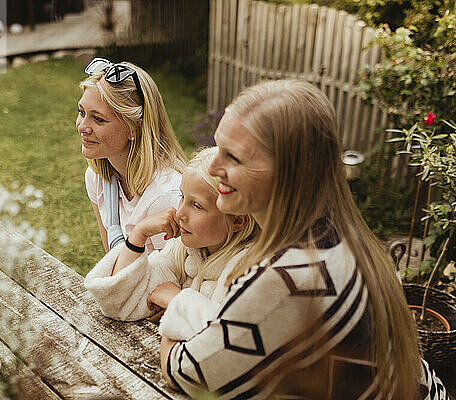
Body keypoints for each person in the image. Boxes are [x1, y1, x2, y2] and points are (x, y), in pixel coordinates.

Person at [160, 80, 448, 399]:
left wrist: (180, 309)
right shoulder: (339, 234)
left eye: (234, 157)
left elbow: (184, 372)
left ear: (287, 172)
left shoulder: (286, 279)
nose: (214, 167)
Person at [84, 147, 258, 340]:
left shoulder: (251, 272)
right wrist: (138, 235)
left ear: (238, 221)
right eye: (182, 197)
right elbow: (118, 301)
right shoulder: (184, 250)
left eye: (197, 205)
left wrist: (176, 300)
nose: (180, 213)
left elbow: (226, 341)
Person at [78, 58, 186, 254]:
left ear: (135, 127)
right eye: (81, 112)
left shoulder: (166, 197)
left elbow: (170, 279)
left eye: (98, 119)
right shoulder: (97, 178)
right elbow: (112, 262)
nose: (82, 127)